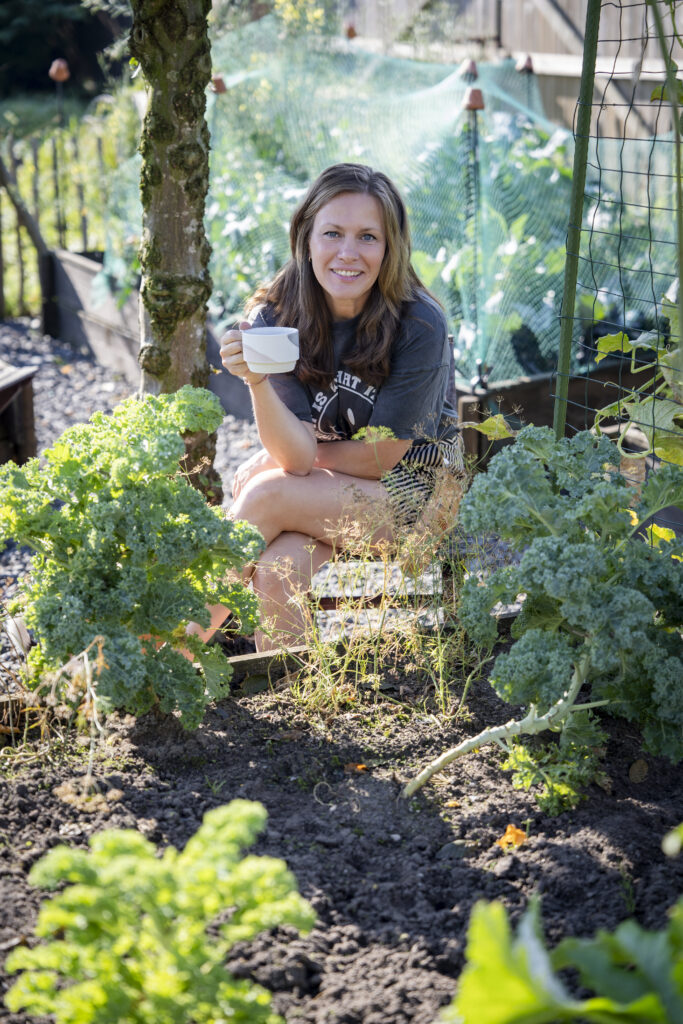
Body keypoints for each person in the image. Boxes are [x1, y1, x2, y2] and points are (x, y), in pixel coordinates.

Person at [205, 162, 462, 651]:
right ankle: (293, 715)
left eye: (368, 237)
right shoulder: (275, 317)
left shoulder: (419, 322)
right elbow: (297, 458)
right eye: (332, 233)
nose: (348, 253)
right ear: (305, 239)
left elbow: (380, 456)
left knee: (266, 494)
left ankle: (157, 654)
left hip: (415, 497)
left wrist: (273, 465)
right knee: (279, 574)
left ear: (390, 248)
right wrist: (257, 382)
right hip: (321, 492)